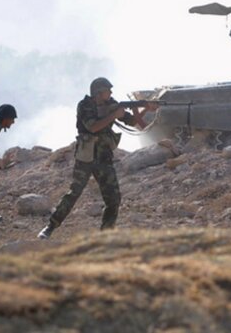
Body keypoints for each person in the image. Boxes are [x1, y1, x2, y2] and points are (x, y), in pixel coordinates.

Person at [37, 77, 153, 239]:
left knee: (113, 198)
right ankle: (50, 226)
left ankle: (106, 235)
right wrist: (114, 115)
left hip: (104, 157)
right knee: (74, 193)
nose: (110, 93)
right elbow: (92, 127)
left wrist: (146, 109)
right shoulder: (85, 105)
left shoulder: (111, 104)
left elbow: (133, 122)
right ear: (99, 92)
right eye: (107, 90)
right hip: (86, 156)